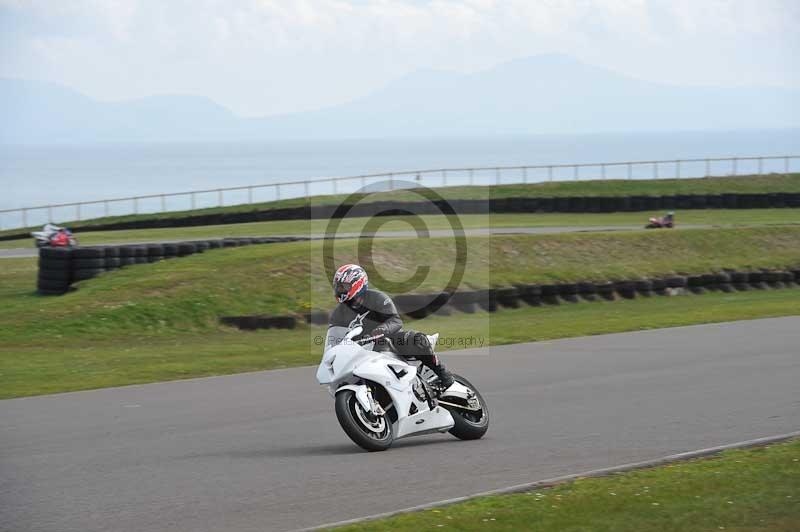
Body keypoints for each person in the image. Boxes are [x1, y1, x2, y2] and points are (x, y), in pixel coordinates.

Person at [328, 263, 455, 389]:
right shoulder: (338, 313)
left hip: (387, 341)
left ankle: (443, 374)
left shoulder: (376, 298)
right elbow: (333, 339)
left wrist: (382, 329)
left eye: (343, 286)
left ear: (358, 283)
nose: (340, 290)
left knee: (418, 340)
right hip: (359, 352)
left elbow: (395, 320)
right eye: (338, 287)